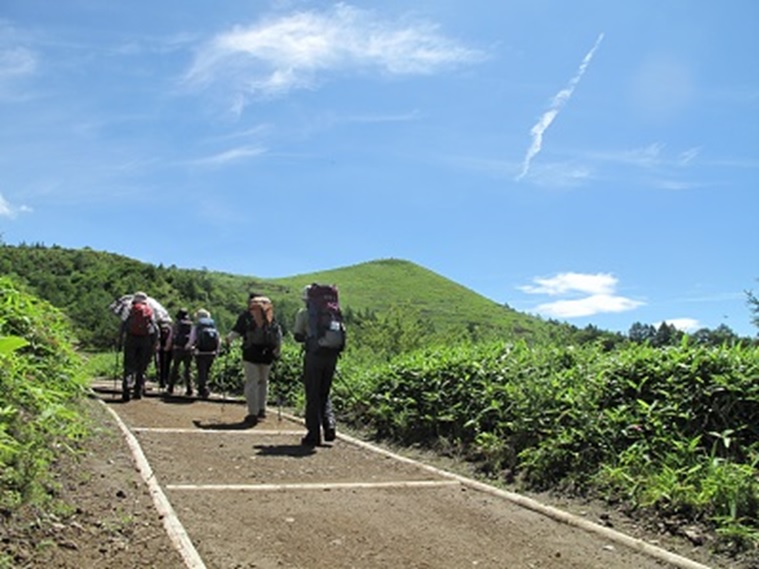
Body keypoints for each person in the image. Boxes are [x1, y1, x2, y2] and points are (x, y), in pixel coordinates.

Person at [292, 285, 343, 446]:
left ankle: (313, 434)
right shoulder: (333, 311)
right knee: (325, 392)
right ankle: (330, 426)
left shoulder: (304, 313)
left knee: (312, 393)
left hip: (314, 356)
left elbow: (298, 335)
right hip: (332, 355)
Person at [225, 293, 282, 425]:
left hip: (250, 353)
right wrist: (277, 352)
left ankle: (252, 413)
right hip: (267, 354)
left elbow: (236, 333)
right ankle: (262, 409)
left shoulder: (246, 316)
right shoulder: (270, 315)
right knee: (263, 382)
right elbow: (278, 335)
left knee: (252, 383)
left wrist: (228, 340)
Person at [119, 291, 158, 402]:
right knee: (142, 366)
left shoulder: (129, 308)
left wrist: (120, 340)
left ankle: (126, 388)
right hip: (145, 341)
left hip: (131, 339)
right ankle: (138, 391)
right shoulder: (149, 310)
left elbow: (123, 325)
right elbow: (155, 328)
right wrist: (154, 343)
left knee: (129, 365)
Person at [189, 308, 220, 399]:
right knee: (207, 370)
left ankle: (203, 389)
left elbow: (192, 338)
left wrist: (189, 347)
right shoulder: (213, 326)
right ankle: (204, 388)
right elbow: (218, 338)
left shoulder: (197, 326)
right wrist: (217, 350)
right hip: (211, 351)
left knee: (201, 370)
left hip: (200, 351)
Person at [168, 308, 194, 396]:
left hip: (177, 348)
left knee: (175, 368)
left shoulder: (176, 324)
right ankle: (189, 389)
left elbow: (171, 336)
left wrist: (168, 346)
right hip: (188, 349)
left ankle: (170, 388)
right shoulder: (191, 324)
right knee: (188, 369)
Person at [155, 318, 173, 389]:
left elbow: (157, 337)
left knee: (161, 364)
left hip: (161, 348)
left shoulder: (158, 327)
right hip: (169, 348)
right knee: (168, 364)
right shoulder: (170, 328)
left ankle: (162, 381)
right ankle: (166, 380)